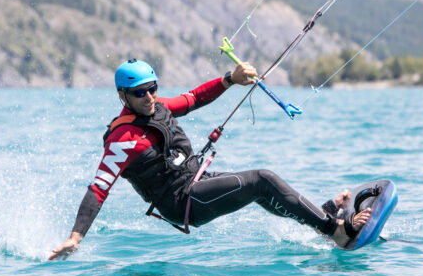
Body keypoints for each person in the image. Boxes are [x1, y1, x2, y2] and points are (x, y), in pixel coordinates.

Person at [48, 59, 371, 260]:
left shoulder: (157, 106)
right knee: (262, 179)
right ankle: (335, 230)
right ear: (123, 96)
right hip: (182, 202)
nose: (149, 97)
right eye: (140, 92)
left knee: (259, 190)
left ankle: (321, 218)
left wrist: (229, 79)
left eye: (153, 88)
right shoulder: (123, 139)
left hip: (197, 180)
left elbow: (192, 99)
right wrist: (76, 237)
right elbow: (99, 188)